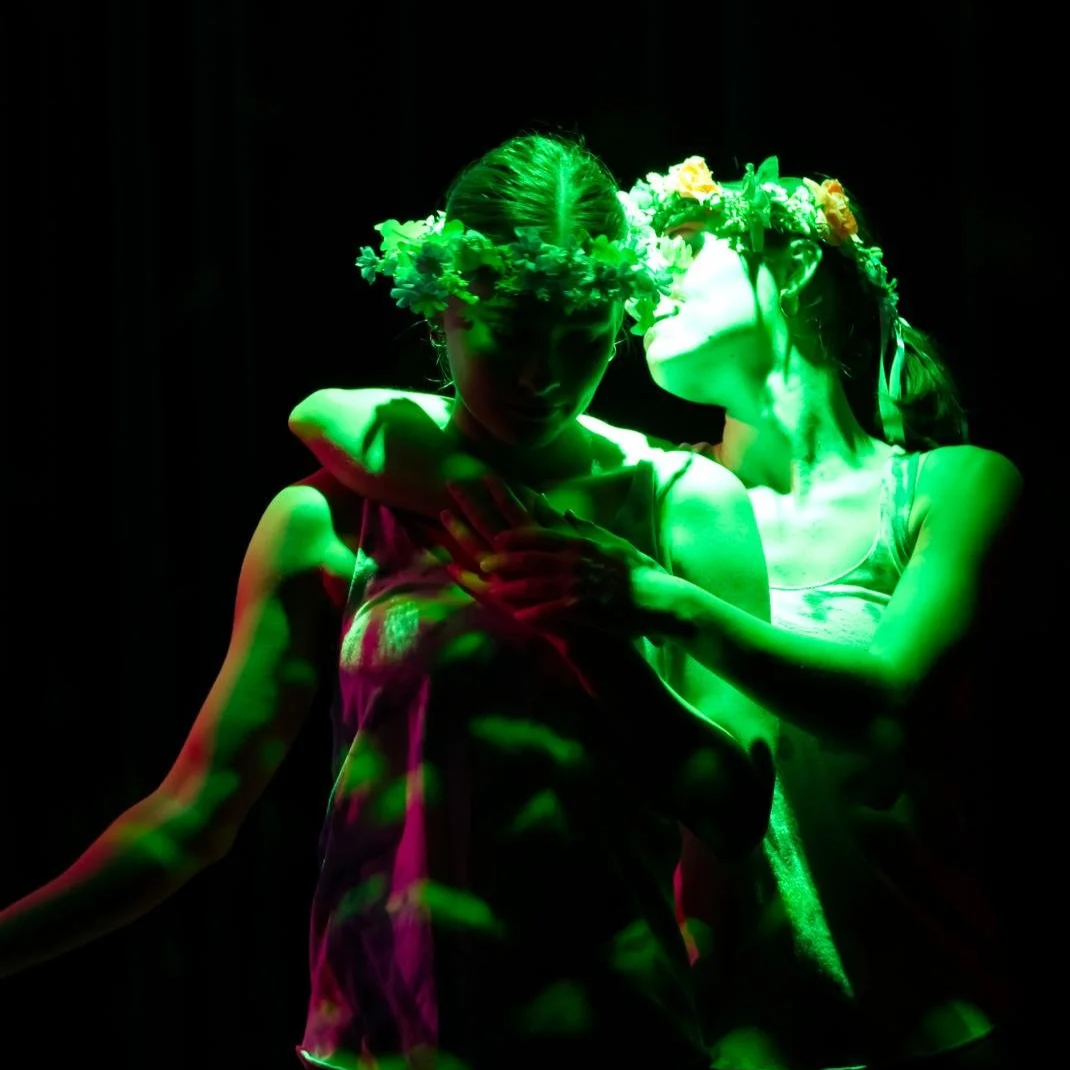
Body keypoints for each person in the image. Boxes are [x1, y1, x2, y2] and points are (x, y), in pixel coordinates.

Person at [0, 134, 778, 1070]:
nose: (544, 376)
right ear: (442, 305)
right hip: (379, 1045)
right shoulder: (331, 520)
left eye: (583, 336)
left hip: (619, 1041)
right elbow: (191, 816)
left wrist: (596, 636)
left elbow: (736, 814)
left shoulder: (685, 506)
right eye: (512, 332)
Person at [285, 154, 1021, 1069]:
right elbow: (337, 414)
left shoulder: (939, 489)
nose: (649, 286)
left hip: (911, 1007)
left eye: (679, 251)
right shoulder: (662, 497)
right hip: (709, 1021)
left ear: (794, 261)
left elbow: (885, 712)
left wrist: (653, 596)